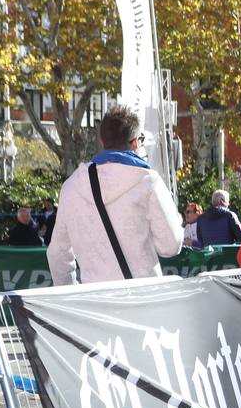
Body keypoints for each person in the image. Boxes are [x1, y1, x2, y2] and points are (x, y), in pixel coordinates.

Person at [47, 104, 183, 284]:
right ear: (135, 142)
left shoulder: (71, 186)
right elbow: (170, 246)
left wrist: (73, 294)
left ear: (102, 141)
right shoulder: (148, 182)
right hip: (143, 297)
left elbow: (57, 253)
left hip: (95, 300)